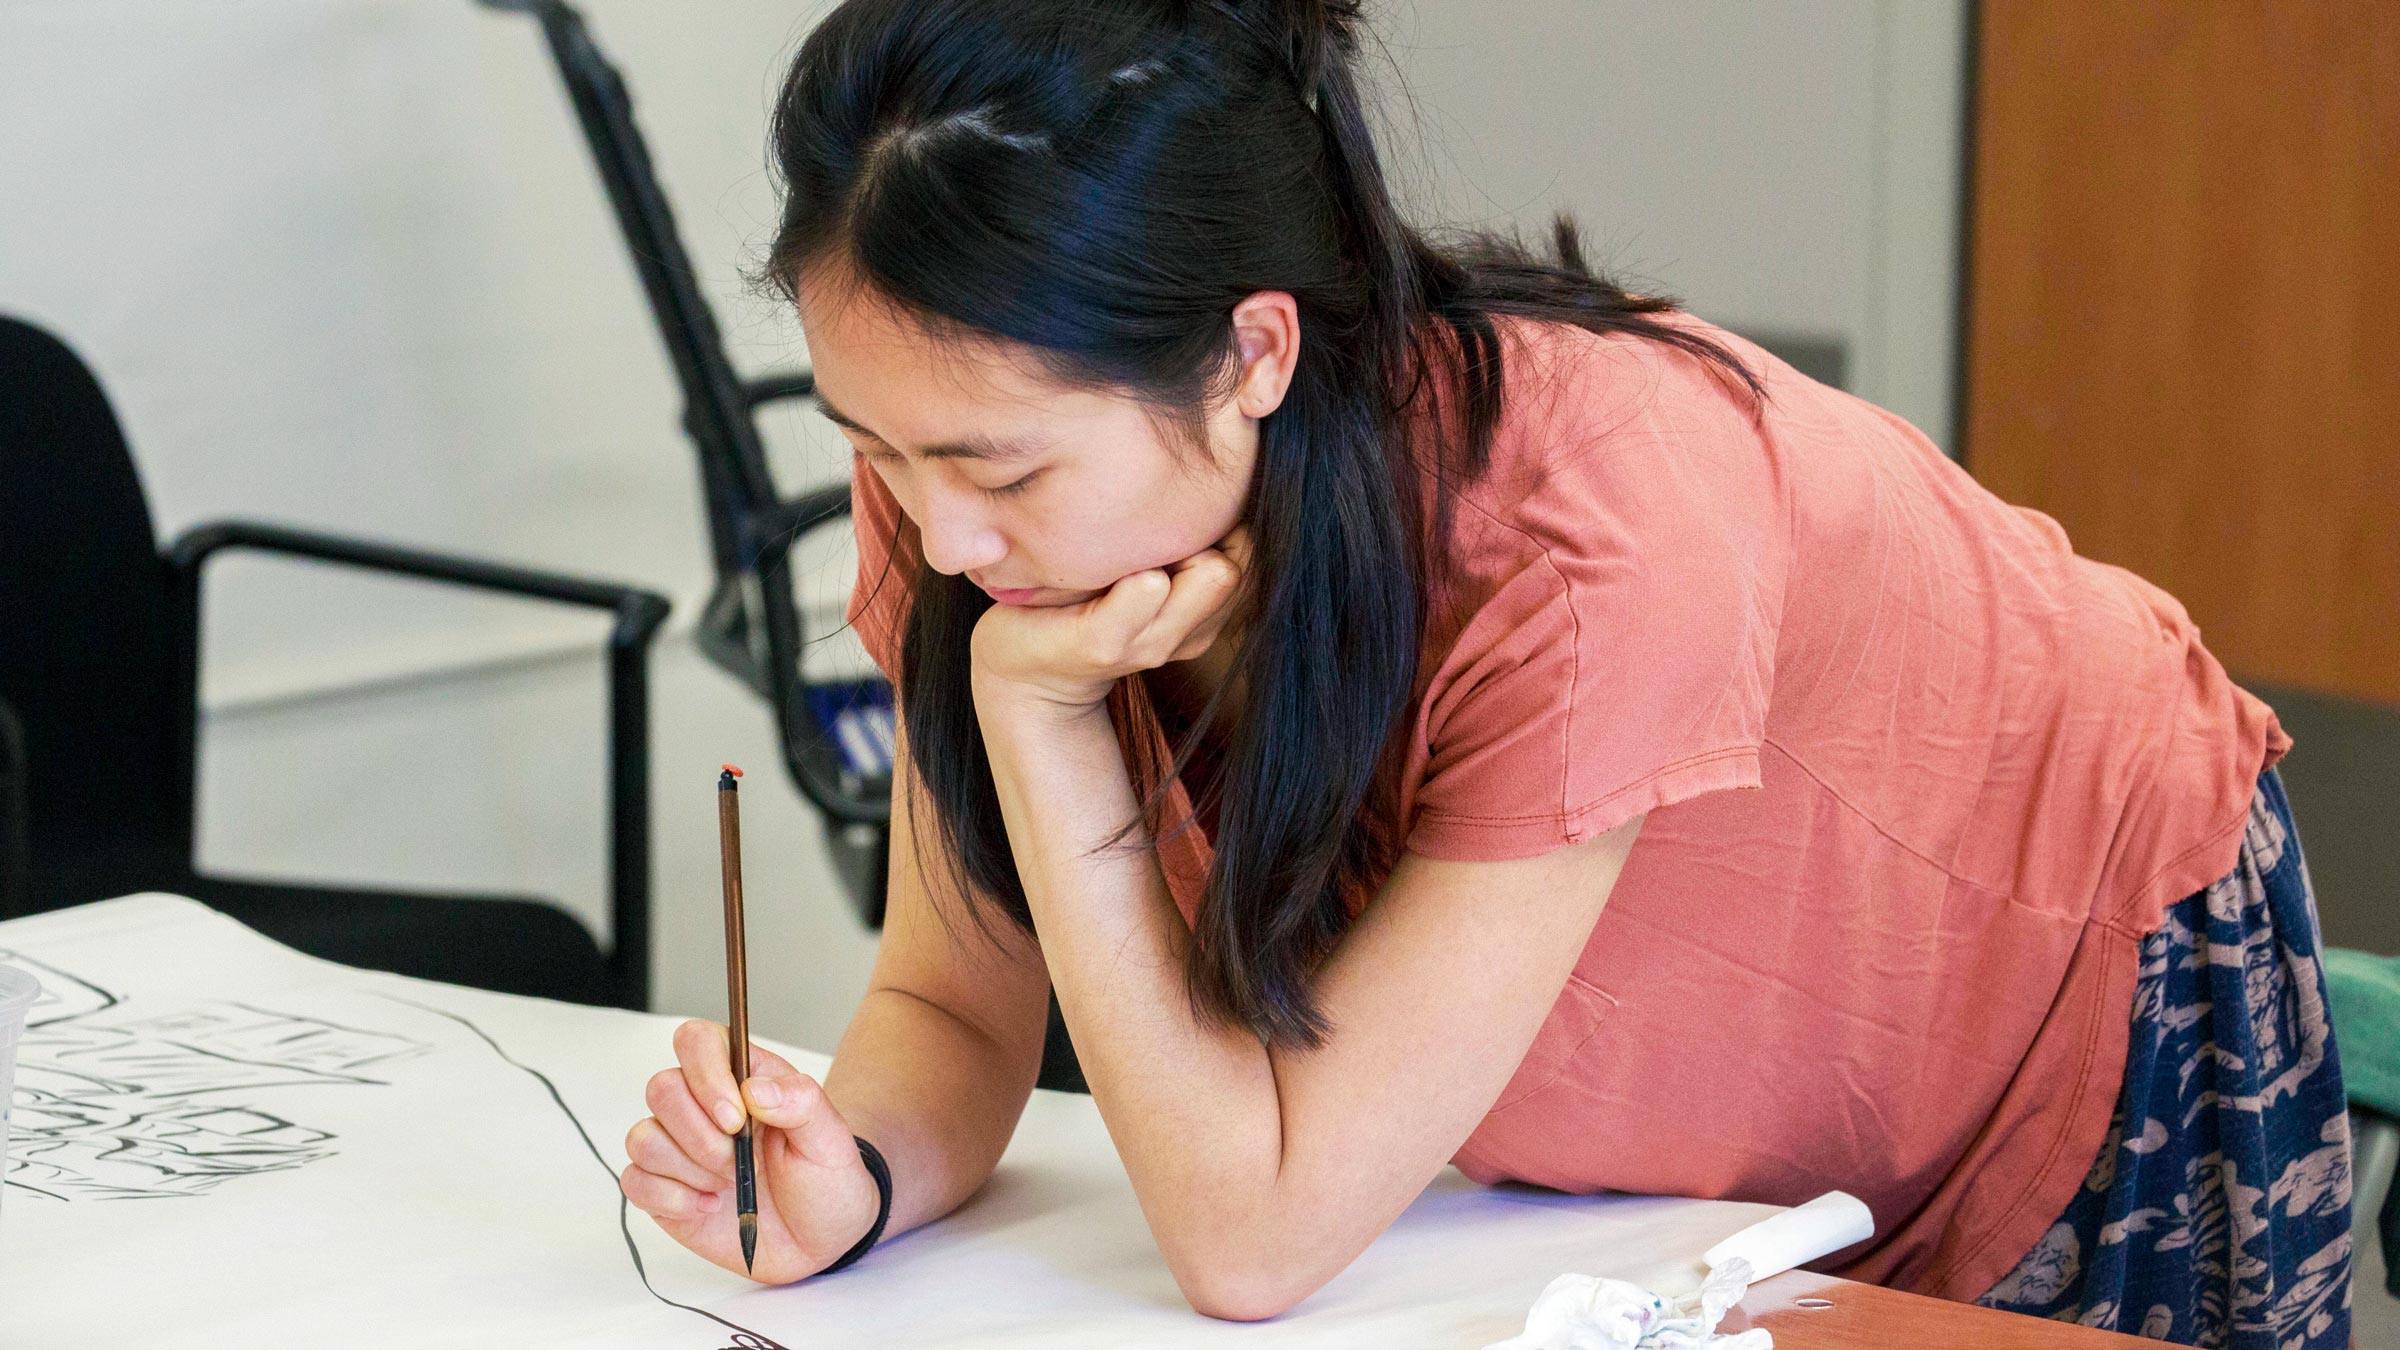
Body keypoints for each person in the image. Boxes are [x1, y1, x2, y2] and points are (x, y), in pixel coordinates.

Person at [619, 1, 2354, 1342]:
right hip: (1685, 1161)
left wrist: (1044, 719)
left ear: (1253, 354)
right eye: (876, 445)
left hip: (2054, 990)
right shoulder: (973, 489)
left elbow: (1254, 1235)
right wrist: (848, 1171)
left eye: (992, 467)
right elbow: (952, 1005)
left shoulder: (1586, 531)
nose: (936, 533)